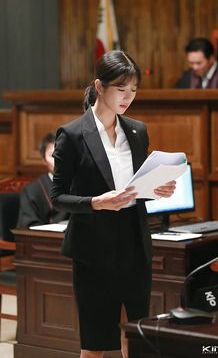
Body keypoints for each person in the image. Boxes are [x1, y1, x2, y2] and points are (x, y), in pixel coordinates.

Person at [51, 50, 176, 358]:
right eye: (121, 89)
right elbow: (57, 197)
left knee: (136, 339)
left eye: (133, 90)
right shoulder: (72, 133)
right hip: (93, 252)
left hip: (135, 247)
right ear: (99, 86)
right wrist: (95, 202)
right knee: (95, 345)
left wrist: (155, 190)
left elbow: (134, 190)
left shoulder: (136, 130)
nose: (127, 97)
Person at [17, 132, 69, 227]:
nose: (58, 159)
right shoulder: (31, 191)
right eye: (52, 155)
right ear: (44, 160)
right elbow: (27, 227)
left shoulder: (78, 184)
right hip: (46, 240)